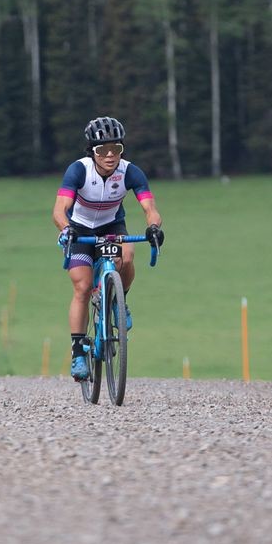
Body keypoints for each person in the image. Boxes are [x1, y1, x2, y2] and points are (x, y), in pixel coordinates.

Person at [53, 116, 164, 382]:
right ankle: (78, 351)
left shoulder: (130, 172)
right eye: (103, 150)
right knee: (81, 287)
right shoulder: (78, 170)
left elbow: (150, 209)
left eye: (116, 148)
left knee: (127, 254)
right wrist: (66, 229)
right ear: (92, 152)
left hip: (112, 225)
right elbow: (59, 209)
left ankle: (119, 302)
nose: (110, 155)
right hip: (80, 230)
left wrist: (154, 228)